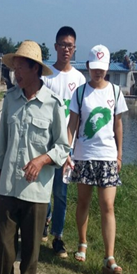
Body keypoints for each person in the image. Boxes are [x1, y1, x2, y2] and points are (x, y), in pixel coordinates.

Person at [0, 41, 69, 274]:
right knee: (3, 246)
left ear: (35, 69)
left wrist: (42, 159)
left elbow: (63, 147)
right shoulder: (10, 100)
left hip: (36, 192)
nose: (16, 73)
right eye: (14, 67)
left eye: (21, 67)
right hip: (9, 186)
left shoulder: (53, 104)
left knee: (31, 250)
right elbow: (2, 144)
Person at [66, 44, 127, 274]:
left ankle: (109, 257)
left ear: (108, 67)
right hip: (84, 155)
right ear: (88, 66)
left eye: (102, 68)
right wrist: (67, 151)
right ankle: (82, 243)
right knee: (83, 201)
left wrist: (119, 155)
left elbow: (117, 124)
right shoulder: (80, 93)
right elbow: (72, 124)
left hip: (108, 156)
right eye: (94, 67)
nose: (98, 72)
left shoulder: (115, 92)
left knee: (108, 206)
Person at [41, 26, 86, 258]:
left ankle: (58, 237)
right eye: (62, 45)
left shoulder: (79, 79)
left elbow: (81, 116)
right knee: (43, 188)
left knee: (61, 192)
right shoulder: (46, 75)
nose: (66, 49)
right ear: (55, 46)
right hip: (45, 143)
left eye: (70, 46)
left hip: (67, 147)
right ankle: (44, 221)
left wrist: (73, 146)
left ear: (74, 48)